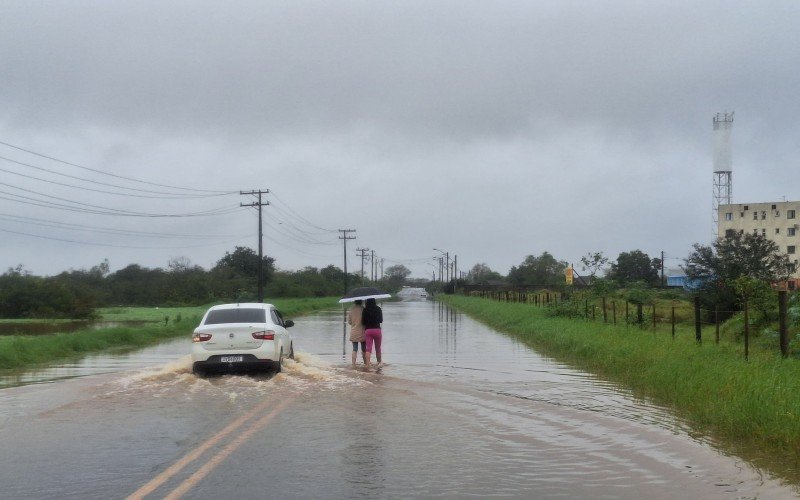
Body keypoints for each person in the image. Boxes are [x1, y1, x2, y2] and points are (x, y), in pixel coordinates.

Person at [361, 297, 383, 368]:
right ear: (374, 301)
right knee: (378, 348)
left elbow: (363, 322)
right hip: (377, 330)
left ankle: (367, 364)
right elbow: (381, 320)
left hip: (368, 331)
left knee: (368, 348)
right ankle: (379, 363)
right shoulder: (378, 309)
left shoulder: (365, 310)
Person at [347, 300, 366, 366]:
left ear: (355, 302)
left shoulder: (351, 310)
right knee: (364, 349)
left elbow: (349, 322)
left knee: (355, 349)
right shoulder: (364, 309)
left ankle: (353, 364)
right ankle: (365, 363)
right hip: (362, 332)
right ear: (361, 302)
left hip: (354, 331)